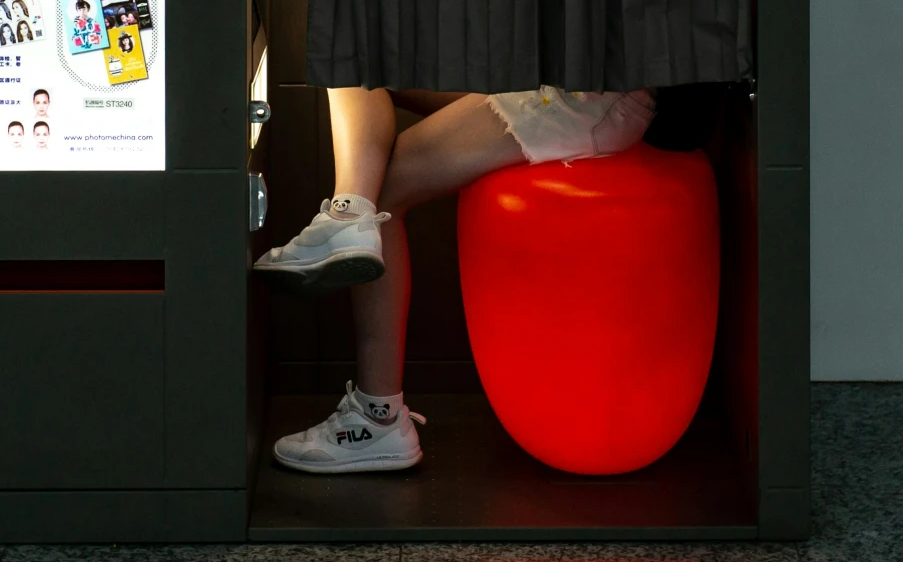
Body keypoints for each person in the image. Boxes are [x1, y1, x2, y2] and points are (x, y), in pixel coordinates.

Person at [251, 85, 657, 474]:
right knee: (353, 58)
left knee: (384, 184)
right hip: (544, 75)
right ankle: (347, 213)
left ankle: (378, 419)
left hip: (593, 95)